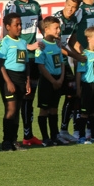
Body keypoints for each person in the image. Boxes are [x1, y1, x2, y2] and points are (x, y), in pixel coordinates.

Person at [3, 0, 43, 147]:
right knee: (16, 101)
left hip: (33, 59)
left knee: (29, 97)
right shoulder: (12, 6)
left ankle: (28, 135)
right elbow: (7, 36)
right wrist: (28, 47)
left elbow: (41, 26)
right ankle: (11, 138)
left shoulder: (35, 6)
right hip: (17, 59)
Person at [0, 14, 37, 151]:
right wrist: (8, 81)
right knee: (11, 110)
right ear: (8, 27)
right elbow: (0, 64)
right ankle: (6, 141)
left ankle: (14, 141)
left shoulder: (22, 42)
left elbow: (26, 64)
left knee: (17, 109)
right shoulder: (5, 42)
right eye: (16, 25)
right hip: (8, 76)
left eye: (20, 24)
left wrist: (27, 82)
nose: (20, 27)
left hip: (21, 78)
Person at [54, 0, 85, 144]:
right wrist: (77, 57)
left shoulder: (74, 20)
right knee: (54, 99)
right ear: (64, 3)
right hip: (53, 61)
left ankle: (64, 130)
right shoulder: (56, 20)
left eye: (74, 8)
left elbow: (73, 41)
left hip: (64, 61)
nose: (70, 10)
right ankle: (53, 135)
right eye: (68, 6)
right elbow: (58, 45)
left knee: (72, 93)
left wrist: (81, 56)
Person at [35, 17, 65, 147]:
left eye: (59, 27)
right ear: (46, 29)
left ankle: (55, 136)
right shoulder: (41, 46)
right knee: (44, 110)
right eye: (56, 28)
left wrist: (61, 78)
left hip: (58, 80)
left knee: (54, 109)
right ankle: (45, 138)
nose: (59, 30)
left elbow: (62, 62)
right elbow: (41, 66)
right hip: (47, 81)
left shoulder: (58, 44)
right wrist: (53, 80)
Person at [76, 27, 94, 144]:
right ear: (89, 39)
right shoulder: (84, 55)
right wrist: (78, 88)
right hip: (86, 85)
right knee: (84, 112)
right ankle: (81, 137)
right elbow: (79, 72)